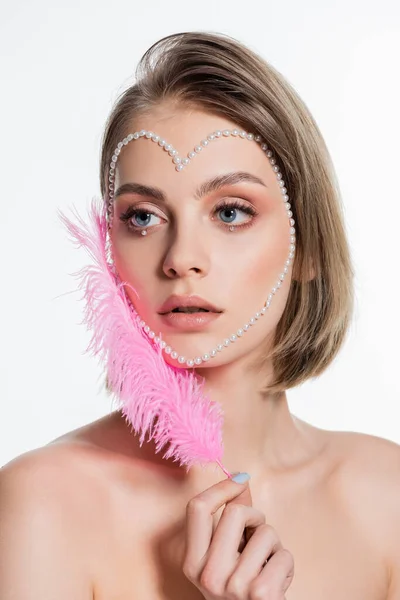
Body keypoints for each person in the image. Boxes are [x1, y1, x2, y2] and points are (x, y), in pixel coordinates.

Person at [0, 31, 399, 600]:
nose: (181, 258)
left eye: (230, 211)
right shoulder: (41, 504)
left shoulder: (389, 498)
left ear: (307, 245)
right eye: (143, 218)